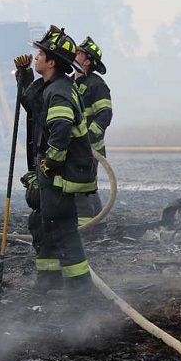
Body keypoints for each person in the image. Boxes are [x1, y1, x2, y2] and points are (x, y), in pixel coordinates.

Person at [13, 26, 96, 295]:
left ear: (51, 62)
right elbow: (33, 104)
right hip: (54, 171)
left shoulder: (59, 91)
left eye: (40, 55)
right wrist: (24, 76)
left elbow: (60, 130)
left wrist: (50, 163)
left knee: (62, 229)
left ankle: (82, 289)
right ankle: (48, 280)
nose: (35, 58)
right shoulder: (51, 87)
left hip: (60, 173)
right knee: (42, 223)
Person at [73, 36, 112, 228]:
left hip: (89, 148)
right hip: (77, 147)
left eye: (79, 53)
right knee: (89, 187)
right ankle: (100, 223)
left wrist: (87, 138)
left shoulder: (96, 84)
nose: (75, 55)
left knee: (81, 188)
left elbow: (104, 114)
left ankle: (85, 230)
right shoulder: (71, 82)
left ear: (87, 60)